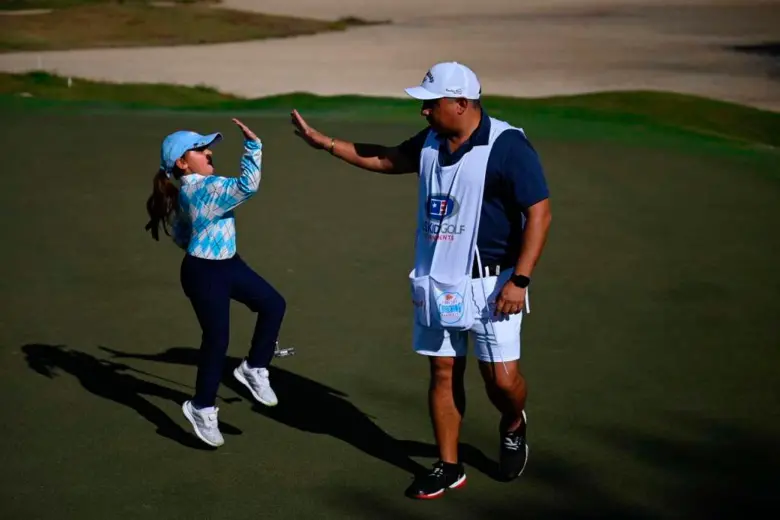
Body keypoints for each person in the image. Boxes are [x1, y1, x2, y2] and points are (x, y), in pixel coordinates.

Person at [290, 62, 551, 498]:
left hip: (493, 285)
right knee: (443, 371)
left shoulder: (508, 146)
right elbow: (386, 157)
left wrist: (520, 280)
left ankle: (512, 422)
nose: (424, 111)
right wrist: (327, 144)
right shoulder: (430, 141)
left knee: (503, 383)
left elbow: (539, 213)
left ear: (461, 103)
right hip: (436, 280)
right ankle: (449, 466)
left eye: (432, 103)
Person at [145, 118, 287, 448]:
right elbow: (248, 186)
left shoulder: (191, 192)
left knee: (272, 304)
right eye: (199, 149)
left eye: (207, 147)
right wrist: (253, 146)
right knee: (217, 339)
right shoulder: (205, 189)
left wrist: (207, 244)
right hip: (206, 274)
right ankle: (201, 407)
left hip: (226, 265)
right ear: (182, 163)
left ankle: (253, 368)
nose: (209, 152)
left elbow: (182, 233)